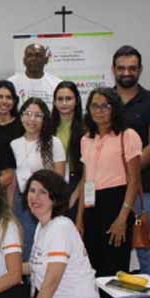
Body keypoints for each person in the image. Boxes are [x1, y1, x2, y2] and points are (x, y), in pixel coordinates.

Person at [5, 170, 101, 298]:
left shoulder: (61, 227)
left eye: (43, 192)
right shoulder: (43, 226)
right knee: (4, 292)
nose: (35, 197)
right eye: (32, 191)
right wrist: (2, 268)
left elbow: (51, 281)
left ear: (55, 198)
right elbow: (35, 265)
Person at [111, 45, 150, 281]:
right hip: (110, 192)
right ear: (113, 69)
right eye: (121, 68)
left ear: (140, 70)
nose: (127, 72)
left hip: (145, 193)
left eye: (132, 68)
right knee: (112, 254)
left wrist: (125, 171)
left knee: (148, 254)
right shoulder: (104, 100)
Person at [75, 88, 142, 276]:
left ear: (115, 108)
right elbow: (85, 180)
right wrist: (79, 220)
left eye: (105, 106)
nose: (99, 110)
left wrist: (122, 218)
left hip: (116, 203)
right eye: (95, 106)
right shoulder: (86, 139)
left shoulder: (127, 135)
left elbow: (134, 180)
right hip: (91, 206)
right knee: (92, 268)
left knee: (115, 268)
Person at [10, 98, 66, 260]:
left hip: (45, 202)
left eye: (37, 115)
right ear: (21, 117)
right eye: (28, 114)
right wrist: (10, 209)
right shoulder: (14, 144)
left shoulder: (53, 143)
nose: (32, 119)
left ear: (44, 119)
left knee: (43, 247)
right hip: (21, 202)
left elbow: (59, 179)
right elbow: (13, 181)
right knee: (23, 246)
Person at [51, 81, 85, 214]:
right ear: (54, 102)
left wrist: (75, 195)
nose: (64, 103)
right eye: (60, 99)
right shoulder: (47, 127)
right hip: (53, 181)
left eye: (68, 99)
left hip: (77, 183)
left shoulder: (86, 128)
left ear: (76, 101)